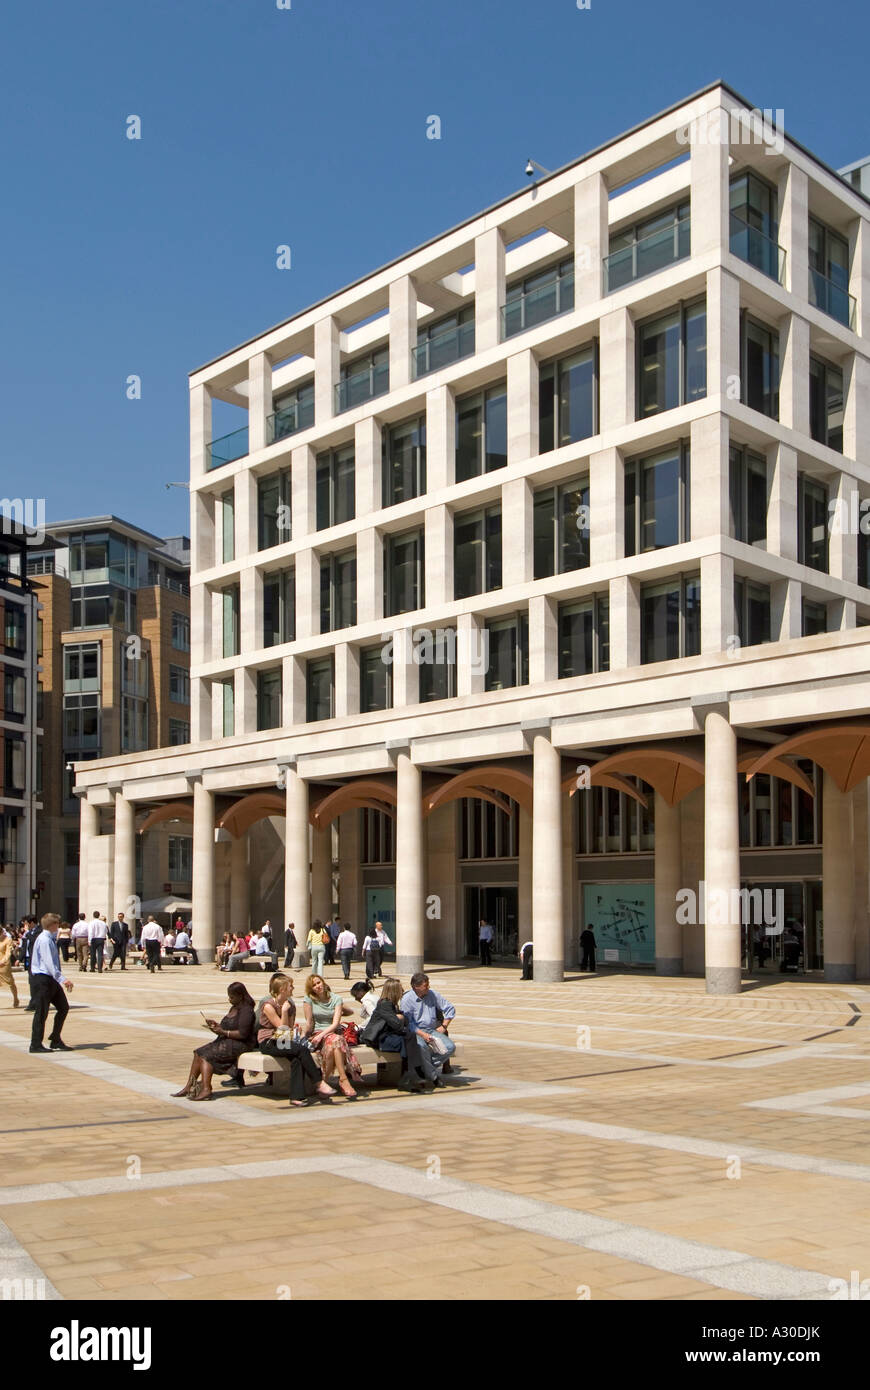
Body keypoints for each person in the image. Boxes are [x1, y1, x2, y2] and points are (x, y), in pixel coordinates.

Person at [256, 973, 333, 1107]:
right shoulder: (268, 1006)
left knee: (298, 1058)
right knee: (301, 1050)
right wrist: (284, 1012)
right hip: (268, 1041)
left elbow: (288, 1030)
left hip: (283, 1040)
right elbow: (281, 1028)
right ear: (282, 989)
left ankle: (297, 1097)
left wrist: (287, 1011)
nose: (293, 988)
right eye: (290, 986)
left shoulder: (289, 1004)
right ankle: (319, 1082)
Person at [172, 982, 256, 1101]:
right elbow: (229, 1026)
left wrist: (222, 1032)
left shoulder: (246, 1010)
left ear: (241, 996)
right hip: (228, 1040)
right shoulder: (235, 1007)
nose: (229, 999)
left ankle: (206, 1089)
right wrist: (217, 1026)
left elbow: (243, 1034)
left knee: (206, 1056)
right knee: (198, 1052)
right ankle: (189, 1086)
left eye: (232, 997)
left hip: (241, 1043)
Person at [362, 976, 432, 1092]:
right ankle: (412, 1075)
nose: (402, 991)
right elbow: (398, 1025)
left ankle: (409, 1077)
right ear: (394, 991)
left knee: (408, 1040)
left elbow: (403, 1023)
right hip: (379, 1039)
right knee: (409, 1039)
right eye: (400, 989)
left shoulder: (392, 1005)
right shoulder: (385, 1004)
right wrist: (401, 1018)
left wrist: (402, 1018)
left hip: (388, 1036)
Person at [300, 974, 360, 1098]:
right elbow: (309, 1022)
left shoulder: (336, 999)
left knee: (335, 1041)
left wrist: (323, 1034)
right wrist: (303, 1037)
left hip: (332, 1033)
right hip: (317, 1035)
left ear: (323, 982)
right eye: (314, 985)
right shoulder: (308, 1000)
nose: (317, 986)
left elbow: (336, 1023)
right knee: (336, 1042)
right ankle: (342, 1080)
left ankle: (329, 1081)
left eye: (318, 982)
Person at [29, 912, 74, 1053]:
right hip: (43, 979)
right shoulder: (44, 940)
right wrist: (63, 979)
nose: (59, 927)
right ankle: (35, 1044)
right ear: (52, 925)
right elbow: (49, 963)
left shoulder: (49, 938)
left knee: (63, 1007)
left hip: (50, 979)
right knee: (41, 1012)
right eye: (57, 924)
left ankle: (55, 1038)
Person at [400, 973, 456, 1085]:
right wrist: (422, 1034)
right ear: (416, 987)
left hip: (431, 1029)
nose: (428, 987)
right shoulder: (407, 999)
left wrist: (444, 1025)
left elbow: (450, 1008)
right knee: (422, 1047)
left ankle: (425, 1068)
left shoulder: (433, 994)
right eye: (426, 985)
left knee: (450, 1047)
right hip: (416, 1031)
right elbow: (408, 1022)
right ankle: (433, 1077)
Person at [22, 918, 43, 1010]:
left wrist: (27, 933)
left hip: (35, 959)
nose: (25, 926)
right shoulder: (29, 932)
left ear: (32, 923)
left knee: (35, 981)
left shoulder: (39, 931)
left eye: (27, 924)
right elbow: (25, 945)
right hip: (28, 958)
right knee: (31, 981)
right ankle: (34, 1002)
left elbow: (34, 940)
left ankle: (35, 1003)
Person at [0, 926, 19, 1008]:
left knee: (10, 982)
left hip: (4, 964)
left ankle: (16, 998)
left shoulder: (8, 939)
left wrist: (3, 961)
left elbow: (8, 953)